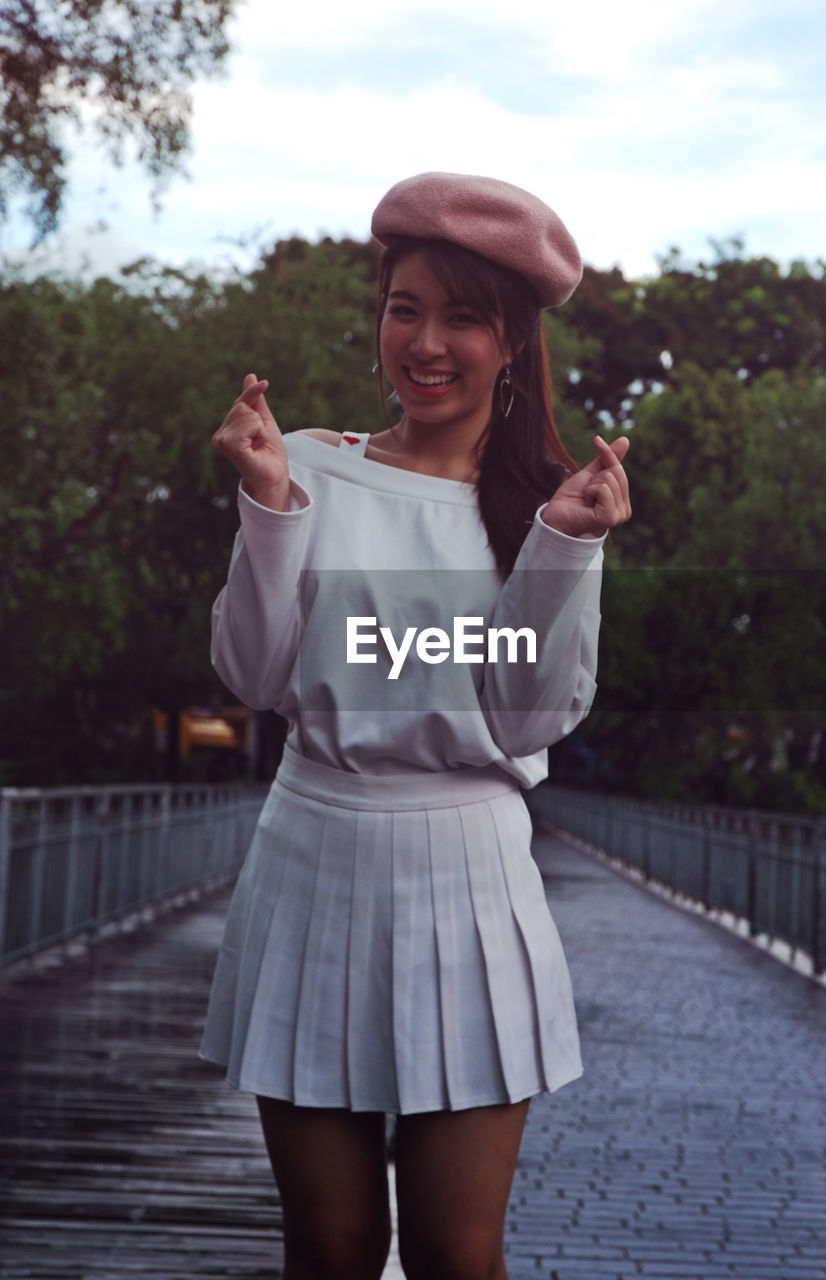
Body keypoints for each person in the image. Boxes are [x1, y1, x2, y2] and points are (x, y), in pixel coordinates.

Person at [199, 171, 631, 1280]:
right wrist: (268, 506)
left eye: (462, 316)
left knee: (453, 1251)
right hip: (311, 854)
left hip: (470, 881)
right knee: (331, 1248)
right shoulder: (313, 465)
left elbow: (525, 716)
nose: (425, 341)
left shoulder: (549, 499)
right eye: (404, 307)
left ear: (511, 340)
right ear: (379, 314)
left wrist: (564, 549)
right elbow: (254, 675)